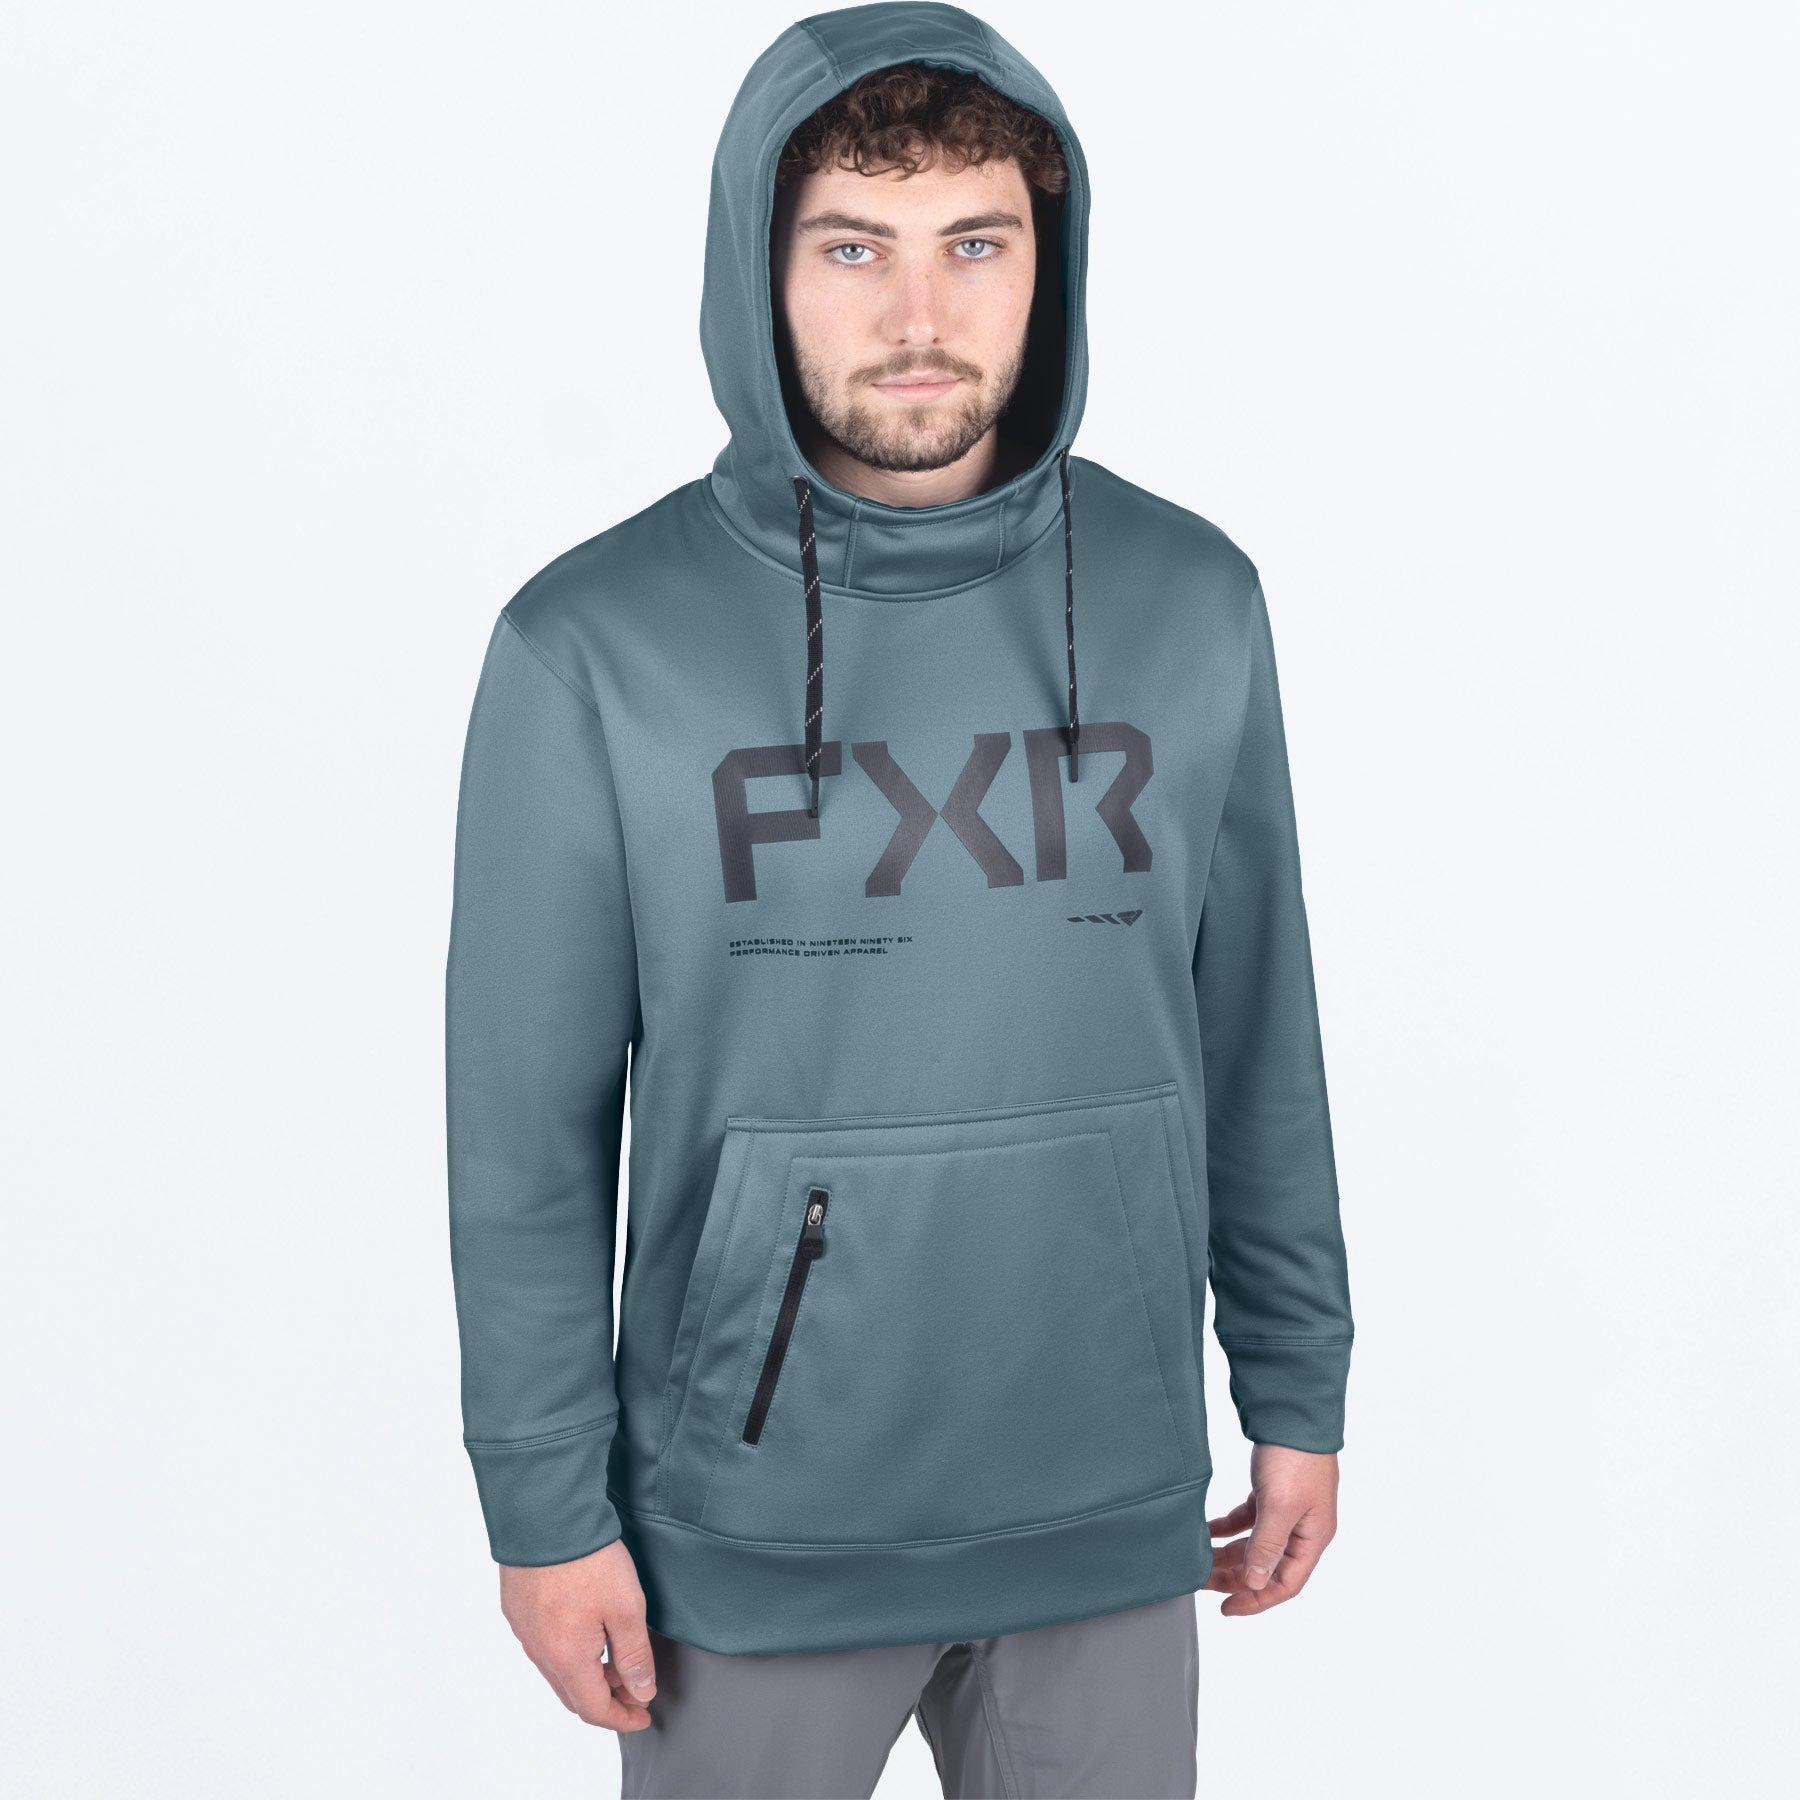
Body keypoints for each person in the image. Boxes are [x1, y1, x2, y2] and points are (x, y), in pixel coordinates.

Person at [445, 5, 1354, 1794]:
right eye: (855, 248)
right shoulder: (592, 648)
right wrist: (543, 1507)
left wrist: (1297, 1383)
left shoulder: (1190, 602)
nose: (920, 316)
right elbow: (524, 1136)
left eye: (976, 245)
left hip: (1107, 1509)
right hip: (752, 1538)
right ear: (761, 269)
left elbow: (1260, 1036)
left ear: (1046, 265)